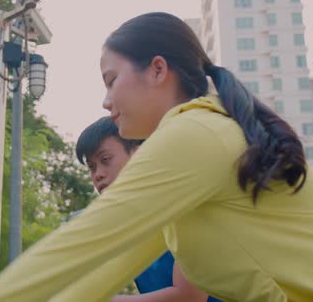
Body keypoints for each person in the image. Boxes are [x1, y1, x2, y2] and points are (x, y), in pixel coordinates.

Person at [0, 12, 313, 301]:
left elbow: (79, 247)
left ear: (157, 70)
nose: (105, 100)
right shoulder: (197, 145)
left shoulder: (197, 133)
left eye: (112, 80)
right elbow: (104, 264)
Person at [75, 116, 215, 302]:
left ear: (139, 154)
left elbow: (189, 297)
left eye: (106, 159)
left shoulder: (180, 205)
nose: (98, 174)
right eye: (92, 167)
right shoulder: (126, 224)